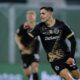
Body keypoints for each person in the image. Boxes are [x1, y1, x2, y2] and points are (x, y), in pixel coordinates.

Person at [28, 7, 80, 80]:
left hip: (67, 57)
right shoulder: (39, 27)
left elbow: (73, 41)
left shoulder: (62, 25)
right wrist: (27, 30)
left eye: (43, 13)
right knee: (68, 78)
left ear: (50, 13)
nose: (41, 15)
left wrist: (71, 57)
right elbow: (28, 38)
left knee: (77, 76)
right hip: (54, 60)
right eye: (40, 14)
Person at [15, 10, 40, 80]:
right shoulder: (22, 27)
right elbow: (17, 37)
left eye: (32, 15)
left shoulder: (38, 27)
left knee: (35, 67)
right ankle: (30, 77)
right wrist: (19, 44)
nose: (31, 17)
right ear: (26, 17)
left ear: (35, 17)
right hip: (24, 51)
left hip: (34, 51)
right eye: (29, 15)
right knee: (27, 73)